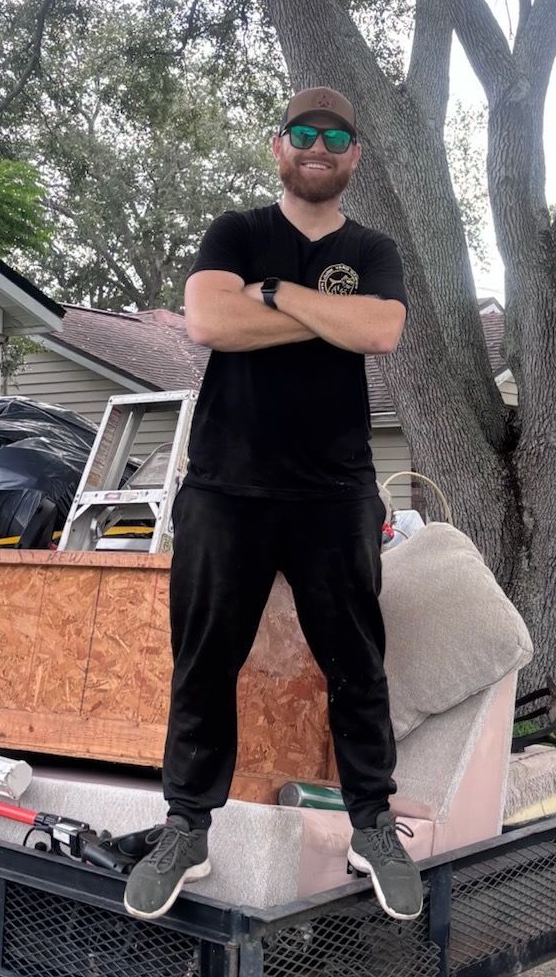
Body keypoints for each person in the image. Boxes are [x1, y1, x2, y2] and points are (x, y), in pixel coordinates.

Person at [123, 85, 424, 924]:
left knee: (356, 664)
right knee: (204, 661)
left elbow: (380, 333)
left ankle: (373, 822)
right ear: (278, 146)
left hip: (336, 490)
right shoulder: (237, 231)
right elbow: (209, 325)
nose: (318, 145)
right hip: (225, 485)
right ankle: (185, 826)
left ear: (354, 155)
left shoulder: (375, 245)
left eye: (336, 134)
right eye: (304, 133)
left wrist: (276, 296)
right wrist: (327, 313)